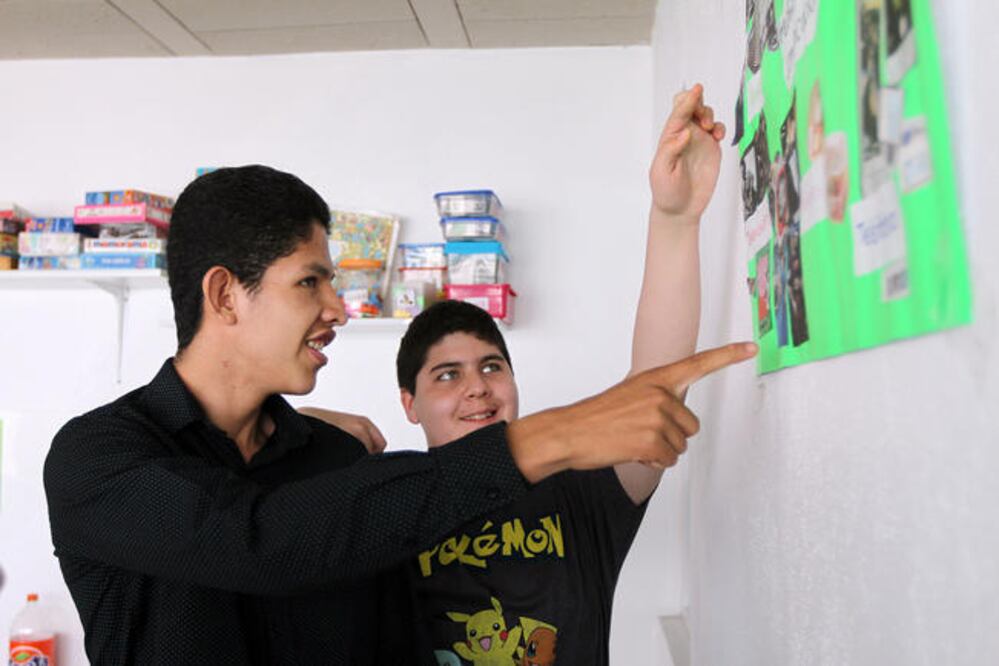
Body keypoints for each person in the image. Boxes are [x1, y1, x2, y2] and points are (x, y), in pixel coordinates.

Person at [44, 113, 753, 665]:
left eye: (492, 367)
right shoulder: (96, 458)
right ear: (226, 295)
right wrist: (551, 435)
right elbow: (258, 540)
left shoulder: (332, 458)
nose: (337, 308)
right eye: (310, 282)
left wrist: (672, 222)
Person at [304, 84, 732, 664]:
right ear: (409, 404)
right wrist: (298, 430)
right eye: (447, 376)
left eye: (490, 366)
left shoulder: (578, 493)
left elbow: (653, 385)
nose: (477, 386)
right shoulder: (385, 505)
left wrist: (676, 219)